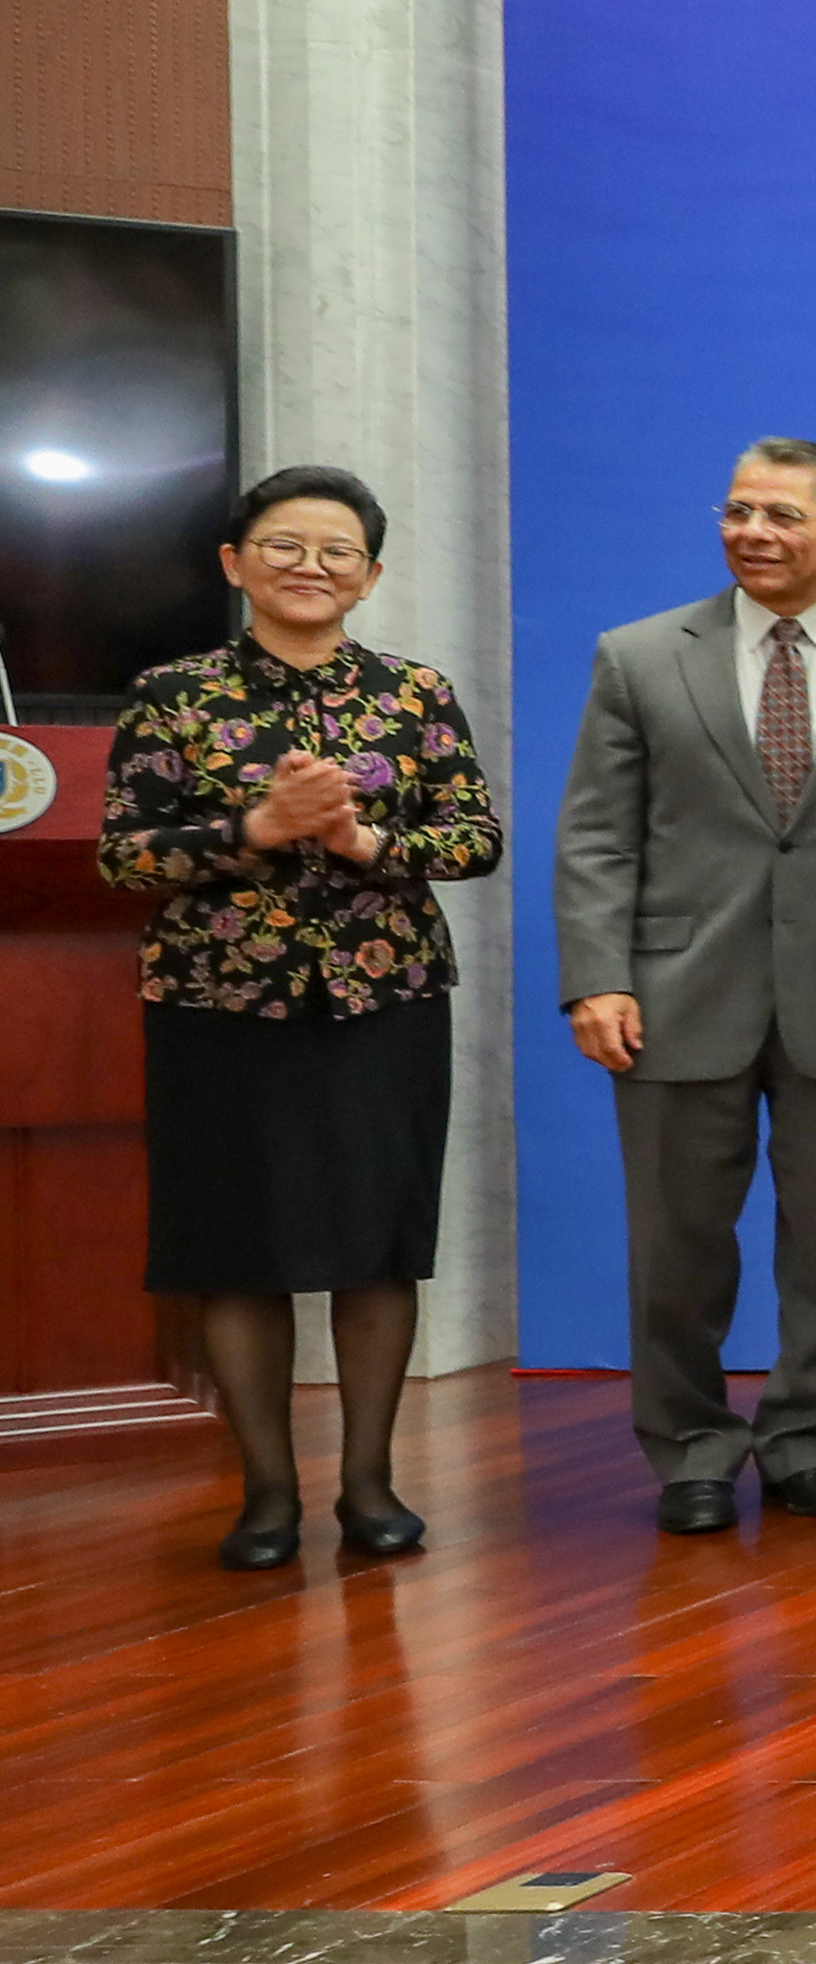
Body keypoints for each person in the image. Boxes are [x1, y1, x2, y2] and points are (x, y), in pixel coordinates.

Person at [98, 466, 503, 1570]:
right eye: (284, 545)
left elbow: (476, 836)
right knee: (239, 1250)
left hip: (384, 1000)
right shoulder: (172, 694)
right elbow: (125, 855)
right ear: (236, 564)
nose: (309, 566)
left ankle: (370, 1486)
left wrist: (373, 844)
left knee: (377, 1246)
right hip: (220, 1004)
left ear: (369, 576)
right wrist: (259, 827)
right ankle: (267, 1492)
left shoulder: (414, 693)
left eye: (336, 551)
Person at [554, 438, 816, 1532]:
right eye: (737, 511)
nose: (753, 533)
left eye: (781, 515)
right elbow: (595, 834)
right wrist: (596, 976)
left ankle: (810, 1440)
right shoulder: (639, 656)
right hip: (675, 993)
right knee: (676, 1247)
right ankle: (689, 1448)